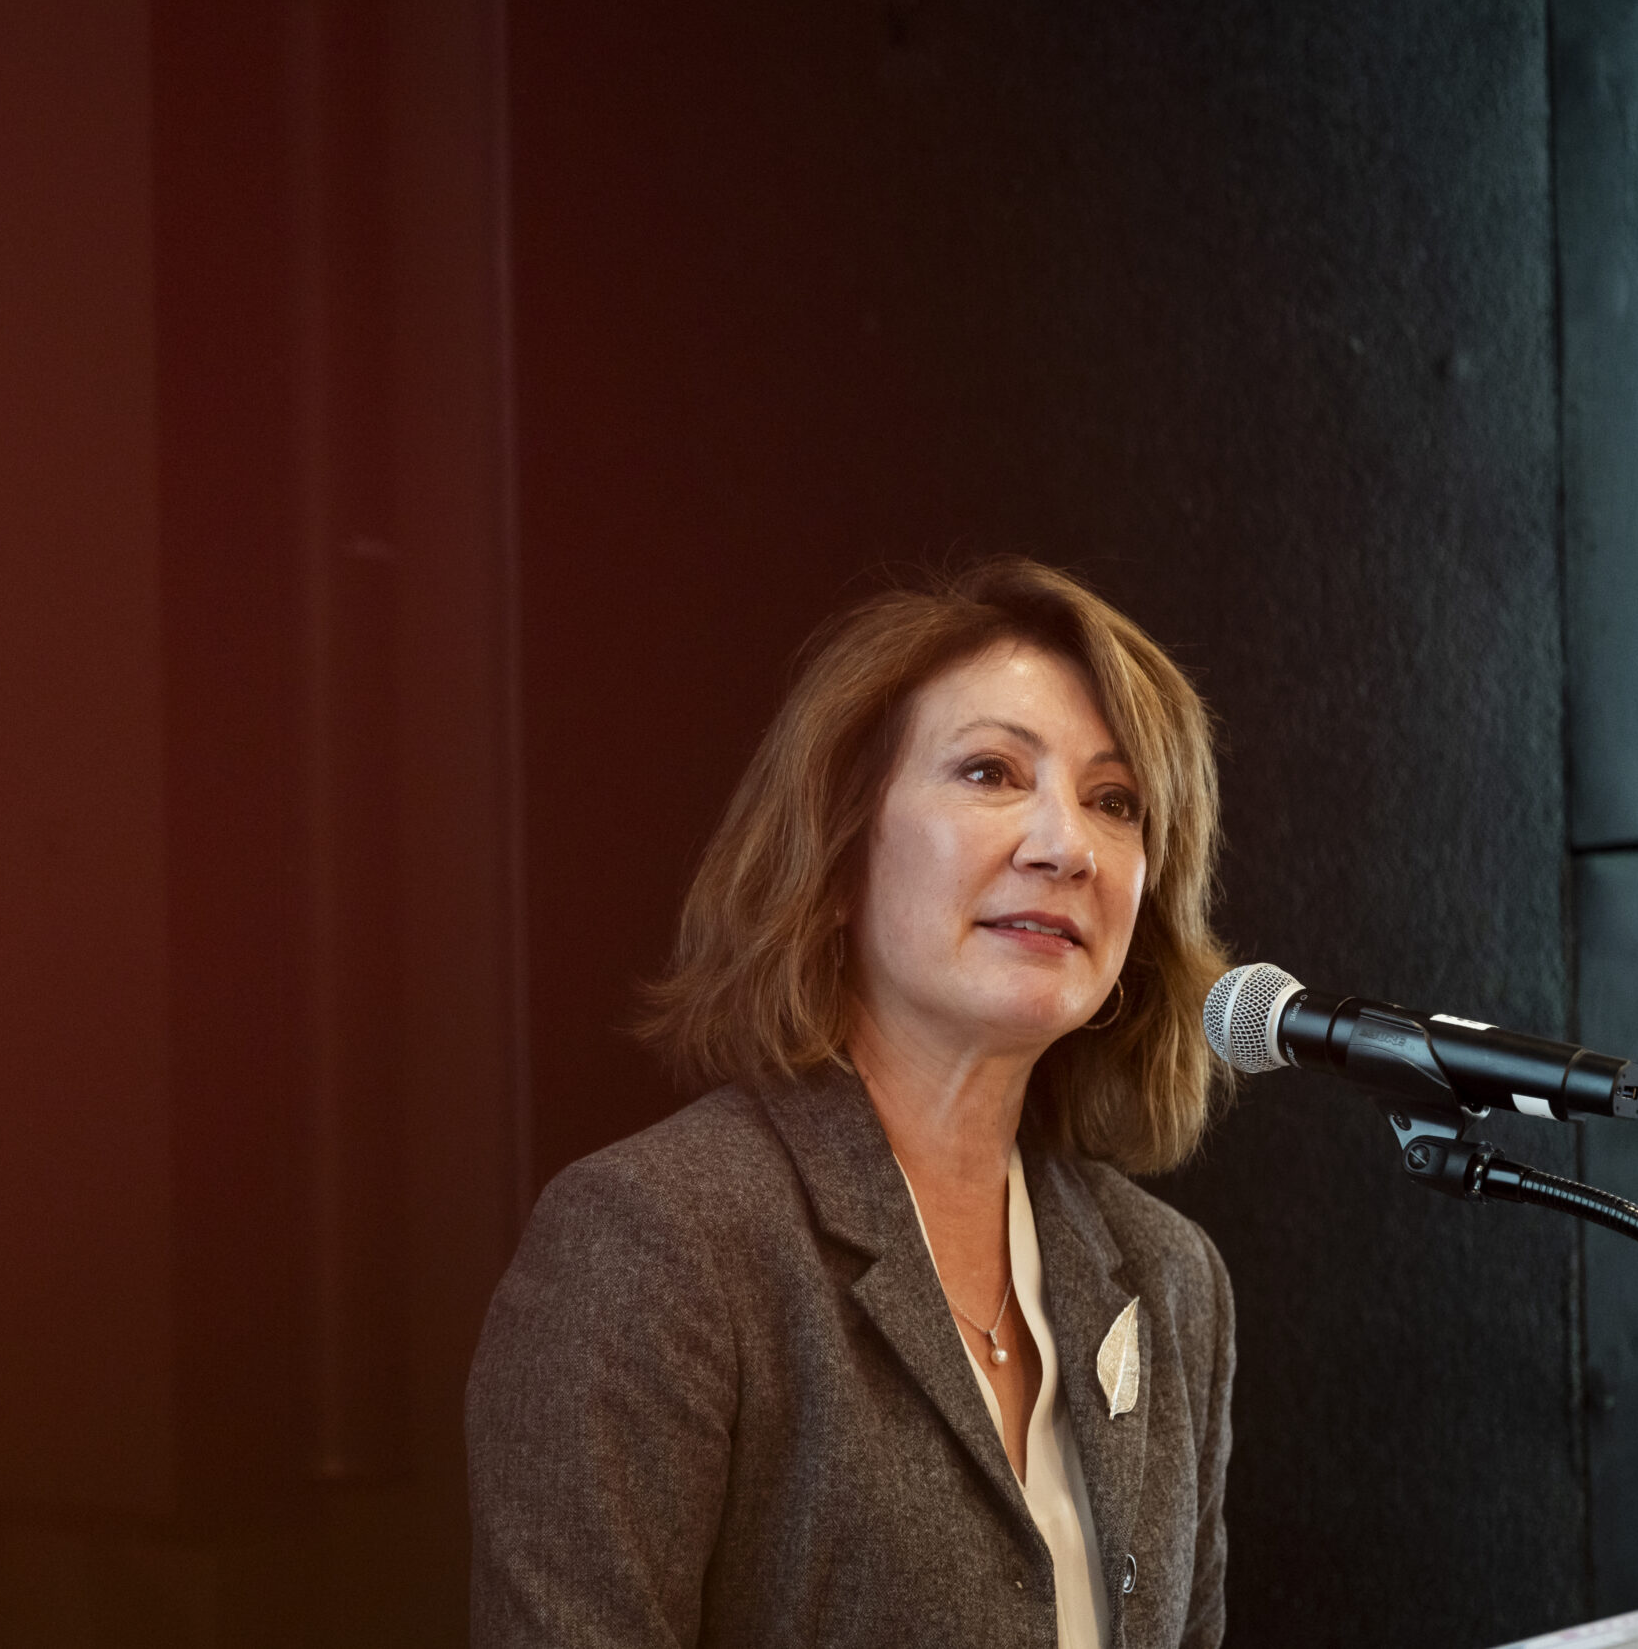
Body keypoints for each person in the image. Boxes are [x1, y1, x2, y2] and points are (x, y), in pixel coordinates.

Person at [465, 558, 1235, 1648]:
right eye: (989, 773)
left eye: (1114, 802)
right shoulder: (659, 1243)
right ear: (836, 861)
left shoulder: (1168, 1279)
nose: (1065, 845)